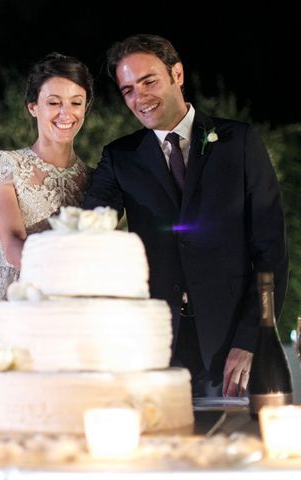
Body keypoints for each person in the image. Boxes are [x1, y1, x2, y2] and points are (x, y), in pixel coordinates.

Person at [84, 34, 289, 398]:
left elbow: (270, 249)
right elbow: (87, 226)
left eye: (149, 81)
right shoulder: (120, 157)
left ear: (177, 74)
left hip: (231, 348)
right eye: (128, 89)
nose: (140, 97)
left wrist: (252, 337)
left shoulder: (239, 142)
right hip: (157, 347)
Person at [0, 52, 94, 404]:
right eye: (54, 102)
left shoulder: (94, 178)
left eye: (76, 102)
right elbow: (13, 241)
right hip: (18, 296)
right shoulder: (5, 165)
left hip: (77, 304)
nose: (66, 113)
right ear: (33, 107)